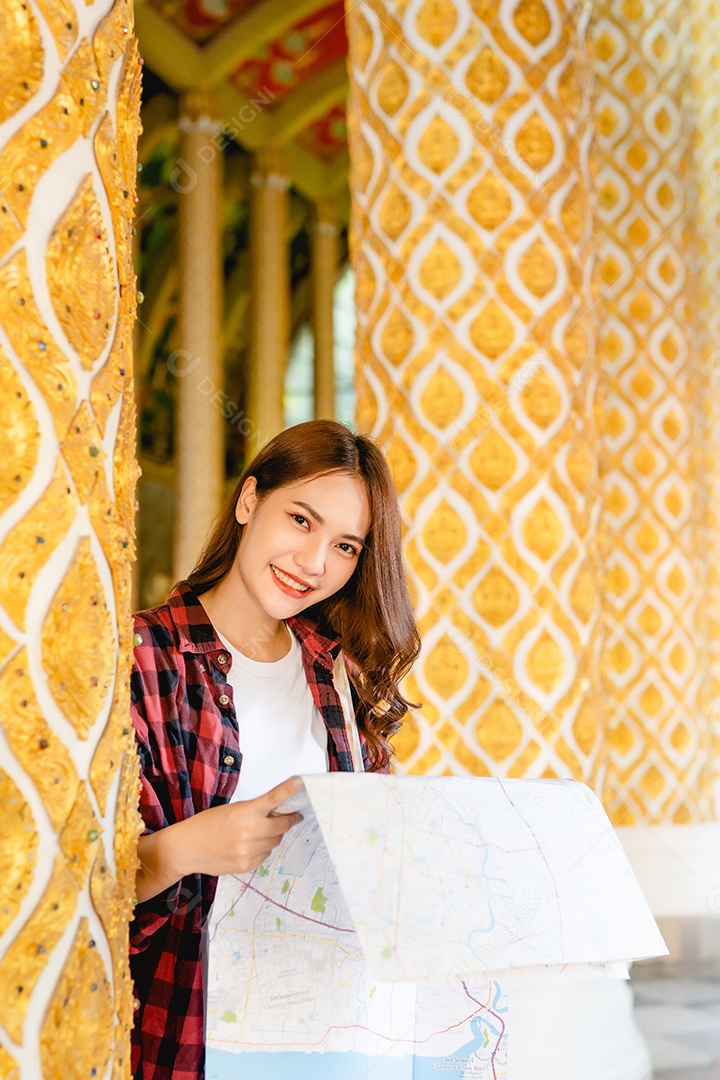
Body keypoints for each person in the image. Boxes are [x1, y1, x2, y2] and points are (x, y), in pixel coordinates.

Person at [129, 419, 421, 1080]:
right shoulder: (143, 658)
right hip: (187, 1040)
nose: (315, 562)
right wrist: (185, 847)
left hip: (327, 1038)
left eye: (346, 545)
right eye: (300, 520)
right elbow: (74, 891)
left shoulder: (338, 675)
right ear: (248, 501)